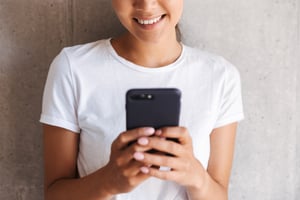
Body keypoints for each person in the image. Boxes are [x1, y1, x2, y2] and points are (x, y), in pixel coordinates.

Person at [40, 0, 244, 199]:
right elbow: (54, 194)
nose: (147, 6)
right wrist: (107, 181)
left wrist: (197, 177)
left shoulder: (220, 76)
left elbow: (219, 194)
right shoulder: (73, 68)